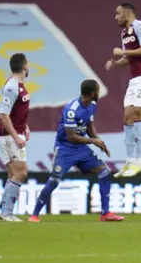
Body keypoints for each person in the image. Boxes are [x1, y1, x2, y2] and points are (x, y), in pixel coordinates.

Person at [28, 80, 124, 222]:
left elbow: (89, 127)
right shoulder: (72, 110)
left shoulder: (92, 106)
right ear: (92, 93)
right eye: (97, 90)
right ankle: (34, 214)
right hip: (65, 148)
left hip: (81, 149)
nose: (98, 93)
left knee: (104, 172)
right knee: (54, 180)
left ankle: (105, 213)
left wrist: (99, 142)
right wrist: (93, 141)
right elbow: (71, 136)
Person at [105, 2, 141, 178]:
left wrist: (122, 52)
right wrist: (115, 63)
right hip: (135, 80)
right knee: (127, 118)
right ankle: (130, 160)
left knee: (137, 115)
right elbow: (129, 58)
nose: (115, 17)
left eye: (118, 13)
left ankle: (139, 159)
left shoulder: (140, 26)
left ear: (128, 13)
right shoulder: (124, 33)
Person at [0, 53, 30, 222]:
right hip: (9, 135)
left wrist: (26, 127)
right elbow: (3, 114)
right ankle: (7, 213)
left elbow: (15, 111)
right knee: (21, 173)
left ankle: (5, 212)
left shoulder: (17, 85)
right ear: (25, 66)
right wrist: (16, 136)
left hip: (13, 132)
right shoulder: (12, 86)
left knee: (13, 175)